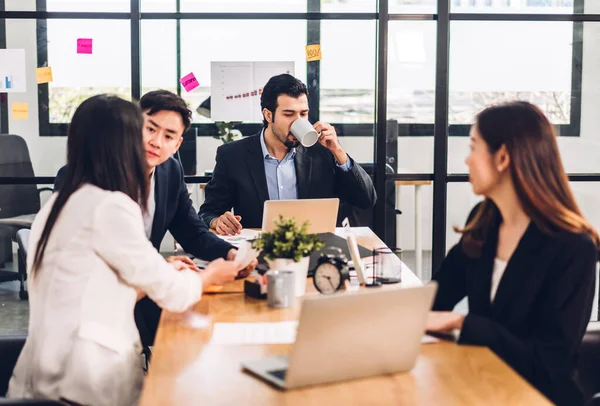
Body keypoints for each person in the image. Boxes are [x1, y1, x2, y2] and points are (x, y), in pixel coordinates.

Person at [8, 95, 241, 406]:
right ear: (117, 143)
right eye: (141, 131)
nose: (151, 143)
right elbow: (175, 294)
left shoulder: (65, 201)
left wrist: (162, 271)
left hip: (51, 370)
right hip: (85, 380)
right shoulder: (109, 205)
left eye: (168, 136)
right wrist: (211, 274)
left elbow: (95, 287)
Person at [426, 101, 599, 406]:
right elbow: (435, 297)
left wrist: (462, 324)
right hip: (480, 384)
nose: (466, 160)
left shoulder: (573, 248)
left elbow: (548, 364)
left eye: (474, 147)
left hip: (536, 397)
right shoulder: (483, 220)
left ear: (503, 157)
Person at [54, 90, 256, 344]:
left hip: (146, 285)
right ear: (132, 126)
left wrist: (230, 254)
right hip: (96, 300)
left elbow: (191, 230)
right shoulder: (83, 179)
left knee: (207, 327)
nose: (157, 142)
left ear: (177, 144)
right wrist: (189, 274)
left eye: (169, 136)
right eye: (150, 129)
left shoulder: (170, 171)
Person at [198, 73, 377, 235]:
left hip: (313, 248)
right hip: (259, 253)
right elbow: (208, 212)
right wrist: (217, 221)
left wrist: (338, 151)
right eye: (289, 114)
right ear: (268, 116)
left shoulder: (322, 152)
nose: (297, 122)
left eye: (303, 114)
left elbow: (366, 199)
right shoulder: (233, 155)